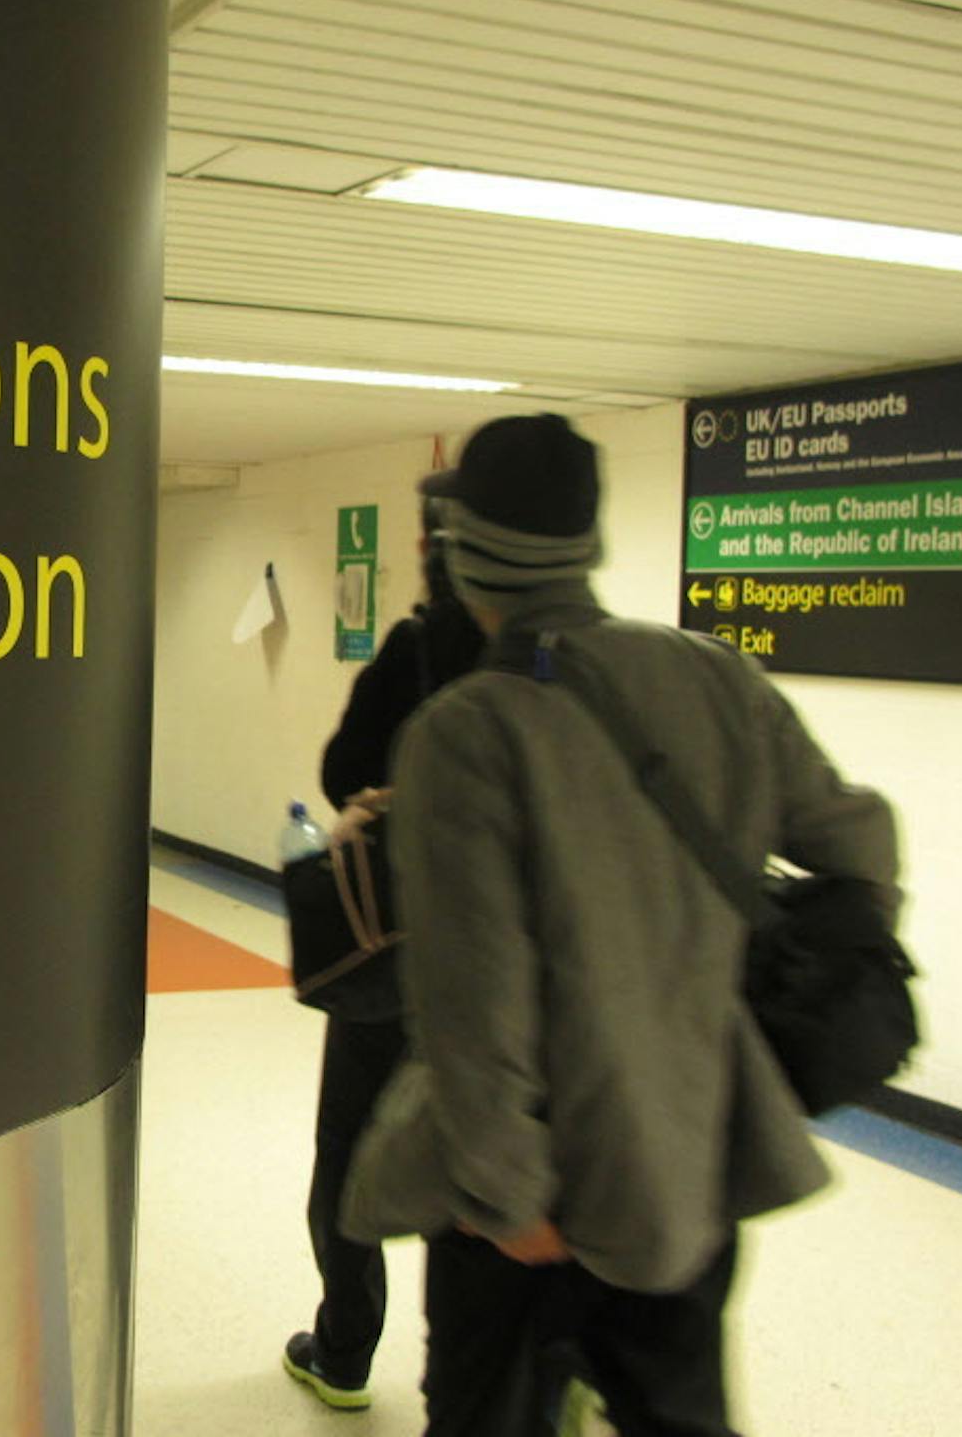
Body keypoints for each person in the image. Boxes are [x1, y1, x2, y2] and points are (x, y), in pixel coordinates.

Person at [362, 413, 899, 1436]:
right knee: (677, 1410)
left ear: (467, 555)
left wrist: (511, 1198)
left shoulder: (466, 732)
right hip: (691, 1161)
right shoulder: (716, 677)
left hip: (537, 1195)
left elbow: (475, 1001)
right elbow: (860, 845)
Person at [281, 501, 485, 1411]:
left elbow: (340, 773)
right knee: (480, 1151)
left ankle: (345, 1349)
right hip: (504, 961)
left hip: (394, 953)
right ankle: (469, 1372)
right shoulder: (565, 663)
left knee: (351, 1148)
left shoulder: (417, 646)